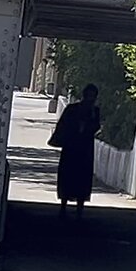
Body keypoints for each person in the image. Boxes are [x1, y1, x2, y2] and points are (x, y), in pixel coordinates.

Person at [49, 83, 101, 218]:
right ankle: (64, 206)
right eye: (89, 96)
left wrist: (86, 127)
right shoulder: (72, 109)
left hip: (84, 149)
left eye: (92, 96)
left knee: (82, 179)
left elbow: (96, 126)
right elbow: (63, 125)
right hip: (72, 147)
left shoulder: (94, 111)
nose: (90, 99)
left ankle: (79, 208)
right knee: (68, 176)